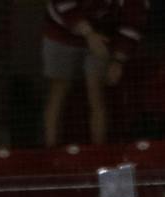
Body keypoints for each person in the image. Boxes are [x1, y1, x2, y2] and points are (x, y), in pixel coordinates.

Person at [41, 0, 147, 147]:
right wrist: (88, 33)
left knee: (96, 94)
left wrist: (118, 60)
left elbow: (132, 24)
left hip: (102, 38)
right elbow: (63, 4)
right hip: (61, 31)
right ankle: (50, 154)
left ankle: (98, 154)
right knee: (58, 90)